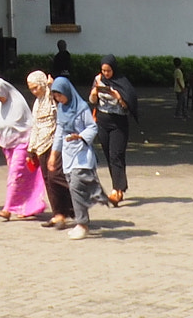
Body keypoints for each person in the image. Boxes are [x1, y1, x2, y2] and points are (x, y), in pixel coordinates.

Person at [48, 75, 103, 240]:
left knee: (77, 186)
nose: (58, 98)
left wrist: (80, 136)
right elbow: (59, 133)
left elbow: (92, 127)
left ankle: (82, 224)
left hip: (82, 154)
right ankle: (81, 221)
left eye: (59, 95)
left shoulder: (82, 108)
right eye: (55, 96)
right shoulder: (61, 110)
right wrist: (53, 154)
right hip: (67, 154)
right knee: (73, 187)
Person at [0, 75, 46, 221]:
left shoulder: (18, 104)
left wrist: (32, 148)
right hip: (7, 146)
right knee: (20, 178)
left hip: (23, 143)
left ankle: (7, 209)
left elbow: (29, 126)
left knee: (15, 175)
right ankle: (26, 206)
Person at [89, 56, 138, 206]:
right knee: (109, 156)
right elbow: (92, 101)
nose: (106, 73)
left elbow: (128, 105)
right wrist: (95, 91)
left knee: (116, 154)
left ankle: (118, 190)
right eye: (103, 70)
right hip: (103, 122)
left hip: (119, 123)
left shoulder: (122, 82)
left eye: (108, 70)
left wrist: (118, 97)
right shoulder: (99, 79)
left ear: (114, 69)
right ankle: (118, 187)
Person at [22, 71, 66, 224]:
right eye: (31, 89)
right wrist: (31, 149)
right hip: (40, 146)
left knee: (56, 178)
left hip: (54, 143)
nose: (34, 91)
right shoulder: (37, 102)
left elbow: (60, 102)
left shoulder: (51, 97)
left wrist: (52, 86)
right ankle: (57, 214)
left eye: (36, 88)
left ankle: (67, 210)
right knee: (47, 180)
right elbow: (35, 126)